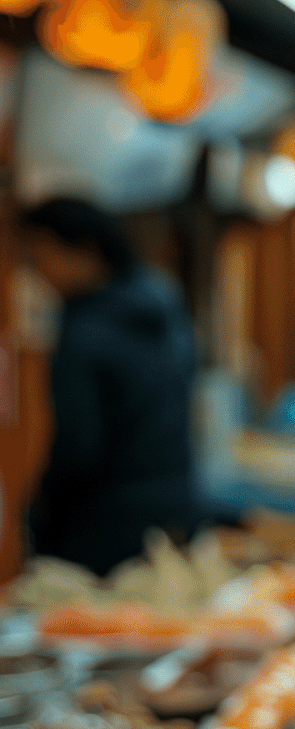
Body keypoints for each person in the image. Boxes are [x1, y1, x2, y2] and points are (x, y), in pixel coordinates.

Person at [21, 197, 200, 576]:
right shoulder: (162, 304)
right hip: (173, 510)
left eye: (40, 257)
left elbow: (78, 447)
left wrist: (39, 518)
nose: (40, 275)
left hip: (101, 527)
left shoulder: (84, 331)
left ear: (84, 250)